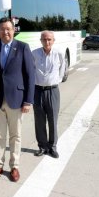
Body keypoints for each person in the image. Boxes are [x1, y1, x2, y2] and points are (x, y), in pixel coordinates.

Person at [0, 17, 35, 182]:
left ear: (14, 30)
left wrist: (28, 100)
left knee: (15, 135)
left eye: (8, 29)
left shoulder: (22, 47)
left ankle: (14, 166)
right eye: (2, 29)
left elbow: (30, 75)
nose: (5, 32)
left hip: (16, 98)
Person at [32, 31, 65, 159]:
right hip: (38, 90)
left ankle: (52, 147)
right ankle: (42, 146)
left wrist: (56, 80)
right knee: (39, 121)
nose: (47, 42)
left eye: (49, 39)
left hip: (53, 91)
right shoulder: (34, 53)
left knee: (53, 120)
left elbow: (62, 68)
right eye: (44, 39)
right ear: (41, 40)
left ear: (53, 40)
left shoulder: (59, 54)